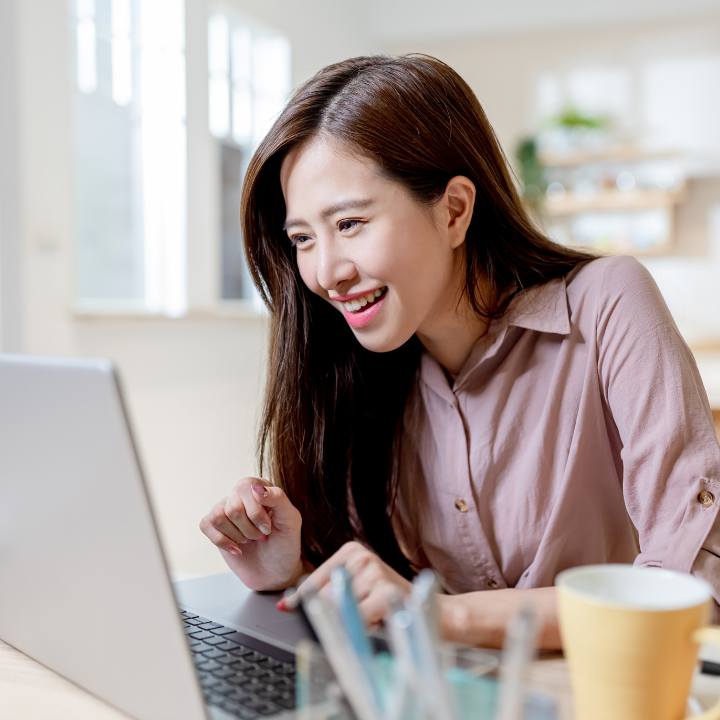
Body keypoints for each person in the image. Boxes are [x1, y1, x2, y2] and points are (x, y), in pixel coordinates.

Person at [199, 55, 720, 649]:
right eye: (303, 239)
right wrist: (289, 573)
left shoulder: (606, 303)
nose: (325, 273)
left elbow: (691, 589)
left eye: (349, 224)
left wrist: (444, 618)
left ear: (453, 210)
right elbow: (380, 600)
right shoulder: (362, 377)